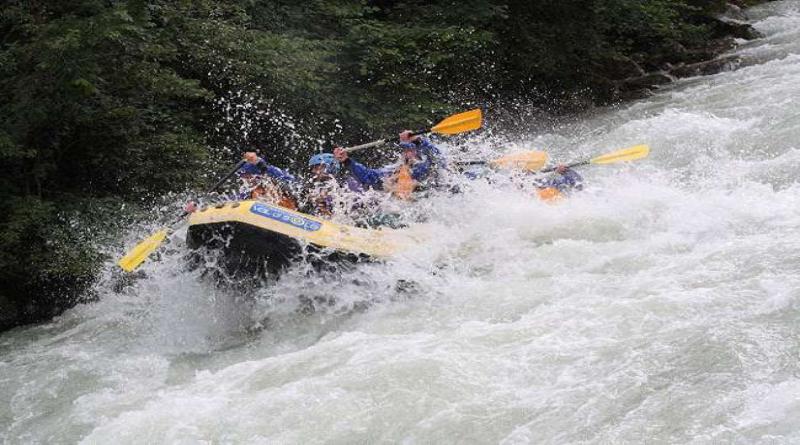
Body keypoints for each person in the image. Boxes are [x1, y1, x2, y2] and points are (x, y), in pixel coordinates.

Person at [333, 131, 446, 200]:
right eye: (405, 150)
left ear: (418, 151)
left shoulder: (424, 168)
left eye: (411, 149)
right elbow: (368, 176)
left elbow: (437, 159)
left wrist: (418, 141)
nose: (408, 153)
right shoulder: (393, 171)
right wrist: (347, 161)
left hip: (426, 209)